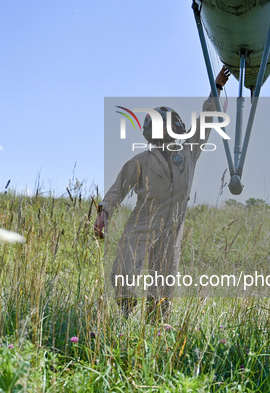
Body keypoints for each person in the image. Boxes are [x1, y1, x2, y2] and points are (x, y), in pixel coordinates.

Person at [95, 66, 231, 320]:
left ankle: (156, 332)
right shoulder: (141, 161)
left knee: (163, 288)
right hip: (143, 222)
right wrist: (104, 213)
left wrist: (217, 88)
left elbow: (206, 121)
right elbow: (118, 188)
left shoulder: (189, 152)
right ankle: (124, 316)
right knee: (123, 273)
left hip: (173, 227)